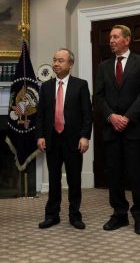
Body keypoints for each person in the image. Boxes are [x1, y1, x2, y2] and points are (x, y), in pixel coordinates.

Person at [95, 25, 140, 235]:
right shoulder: (104, 66)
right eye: (110, 37)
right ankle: (119, 214)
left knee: (138, 175)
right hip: (112, 130)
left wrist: (127, 117)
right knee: (114, 175)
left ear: (127, 40)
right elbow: (99, 97)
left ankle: (139, 216)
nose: (111, 40)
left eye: (115, 37)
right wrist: (111, 116)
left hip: (135, 129)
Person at [36, 48, 93, 230]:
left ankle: (75, 215)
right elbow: (41, 115)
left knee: (74, 180)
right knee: (53, 180)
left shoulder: (80, 85)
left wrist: (85, 136)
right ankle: (52, 215)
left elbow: (87, 114)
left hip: (74, 140)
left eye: (61, 60)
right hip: (52, 139)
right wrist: (40, 136)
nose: (56, 63)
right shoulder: (45, 86)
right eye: (54, 60)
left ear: (70, 64)